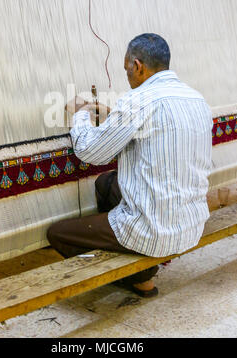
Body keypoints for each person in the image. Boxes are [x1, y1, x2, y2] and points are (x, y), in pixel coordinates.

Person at [47, 33, 213, 297]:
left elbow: (90, 152)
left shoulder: (137, 101)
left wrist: (79, 114)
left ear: (137, 65)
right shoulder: (196, 99)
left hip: (154, 231)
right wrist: (112, 114)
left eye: (126, 70)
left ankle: (134, 276)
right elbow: (156, 125)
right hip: (191, 224)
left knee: (57, 234)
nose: (127, 76)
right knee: (106, 184)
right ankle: (139, 271)